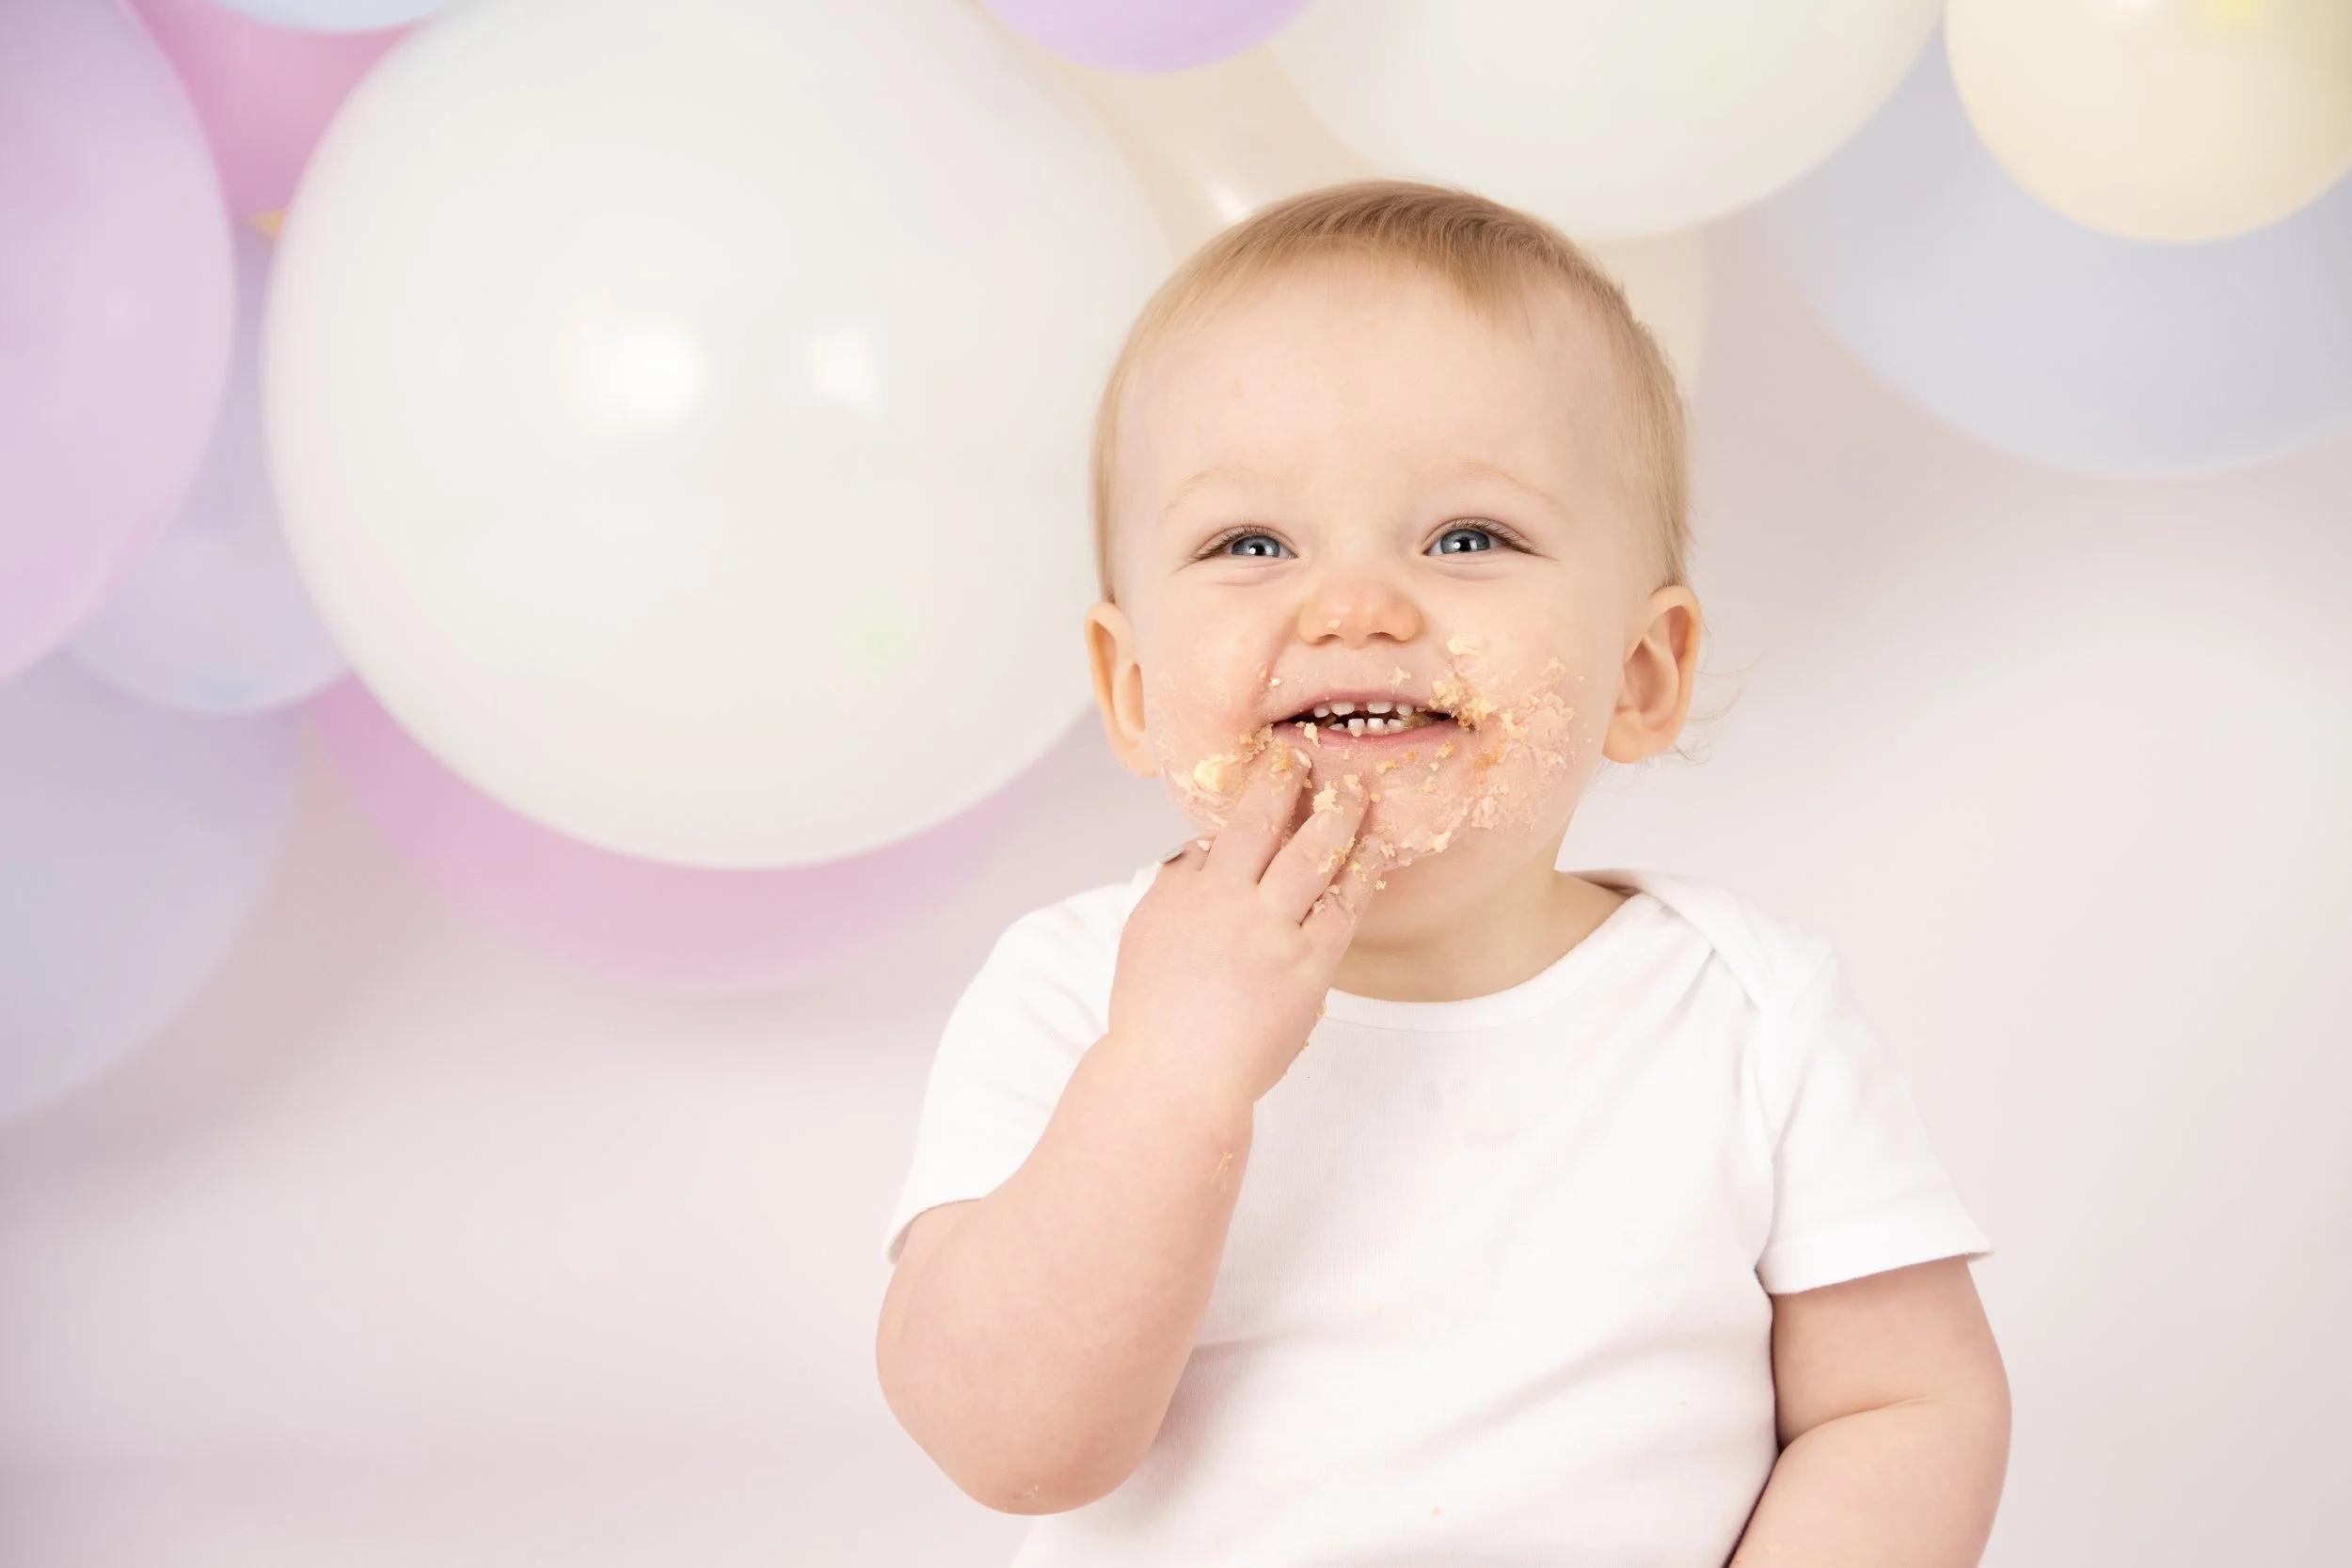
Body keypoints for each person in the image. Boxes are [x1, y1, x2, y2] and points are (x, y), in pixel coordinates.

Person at [874, 179, 2008, 1566]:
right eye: (1251, 543)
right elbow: (1010, 1443)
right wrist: (1171, 1071)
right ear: (1130, 686)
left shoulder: (1745, 1011)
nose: (1354, 602)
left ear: (1642, 675)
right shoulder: (1072, 992)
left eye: (1468, 537)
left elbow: (1904, 1398)